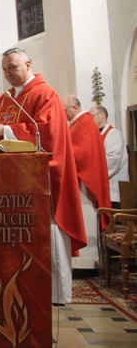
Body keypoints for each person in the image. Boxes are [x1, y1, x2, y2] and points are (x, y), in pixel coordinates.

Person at [0, 48, 85, 305]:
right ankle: (20, 286)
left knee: (47, 230)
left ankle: (55, 294)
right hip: (9, 180)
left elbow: (47, 132)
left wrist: (5, 129)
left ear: (28, 64)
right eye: (5, 69)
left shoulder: (45, 93)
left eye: (13, 67)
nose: (8, 73)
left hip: (40, 177)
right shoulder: (4, 99)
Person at [63, 95, 111, 272]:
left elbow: (82, 153)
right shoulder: (77, 124)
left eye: (65, 110)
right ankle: (79, 263)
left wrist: (62, 154)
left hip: (85, 183)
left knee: (85, 218)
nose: (64, 113)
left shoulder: (85, 123)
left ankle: (87, 263)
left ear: (75, 108)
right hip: (77, 180)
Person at [90, 105, 130, 208]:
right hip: (103, 189)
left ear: (102, 116)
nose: (90, 120)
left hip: (113, 190)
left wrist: (94, 173)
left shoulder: (113, 134)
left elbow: (113, 159)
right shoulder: (97, 135)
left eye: (92, 116)